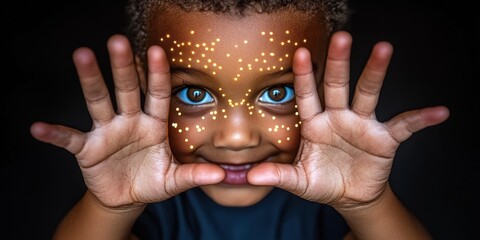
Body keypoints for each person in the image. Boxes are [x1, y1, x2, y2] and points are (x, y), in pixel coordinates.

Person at [29, 0, 450, 239]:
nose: (236, 138)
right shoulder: (145, 213)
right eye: (195, 94)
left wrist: (371, 206)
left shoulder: (334, 207)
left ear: (325, 84)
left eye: (278, 93)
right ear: (145, 80)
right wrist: (105, 209)